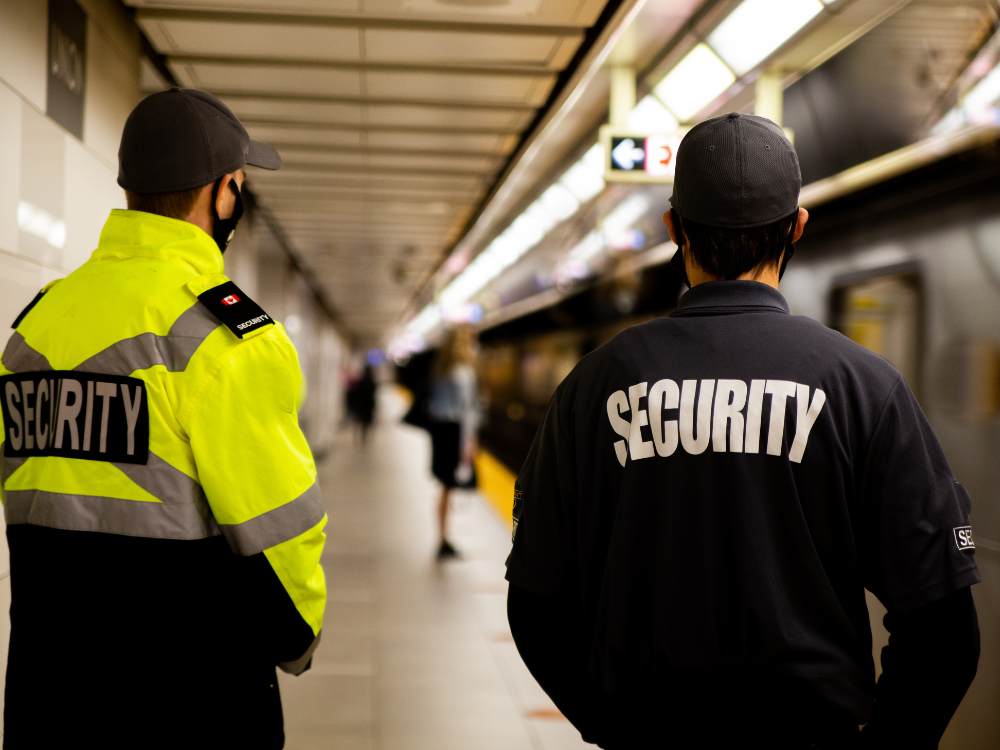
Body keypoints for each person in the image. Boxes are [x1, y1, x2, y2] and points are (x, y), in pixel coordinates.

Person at [505, 113, 980, 749]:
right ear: (797, 227)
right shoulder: (865, 387)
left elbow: (535, 607)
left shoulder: (593, 387)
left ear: (674, 229)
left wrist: (613, 725)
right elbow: (945, 632)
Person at [0, 87, 327, 749]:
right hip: (189, 700)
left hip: (45, 696)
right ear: (223, 193)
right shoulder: (226, 340)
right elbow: (277, 536)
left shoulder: (36, 326)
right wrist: (297, 640)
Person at [427, 326, 481, 559]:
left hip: (440, 433)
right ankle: (443, 541)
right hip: (454, 433)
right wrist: (468, 442)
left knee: (445, 487)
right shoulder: (464, 372)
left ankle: (442, 537)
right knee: (448, 487)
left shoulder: (441, 370)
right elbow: (467, 411)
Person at [346, 364, 377, 444]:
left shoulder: (360, 381)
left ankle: (356, 436)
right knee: (366, 422)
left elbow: (356, 393)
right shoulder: (372, 382)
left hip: (360, 404)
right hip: (368, 405)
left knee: (358, 420)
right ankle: (364, 436)